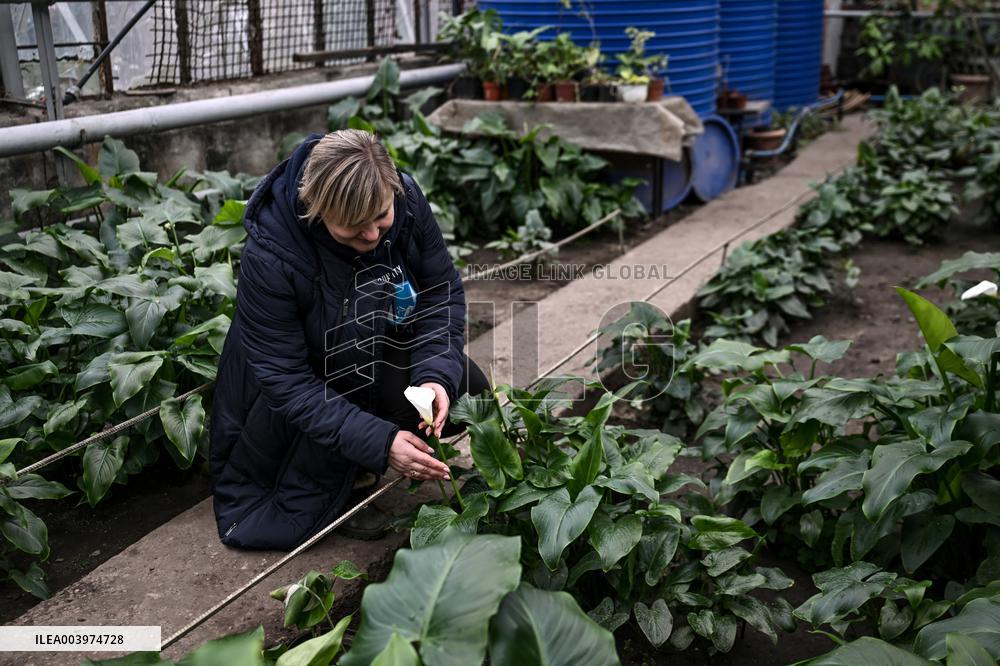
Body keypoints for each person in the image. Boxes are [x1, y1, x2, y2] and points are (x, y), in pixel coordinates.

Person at [209, 129, 489, 549]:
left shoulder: (407, 201)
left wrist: (434, 377)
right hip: (297, 391)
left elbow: (439, 294)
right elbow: (286, 381)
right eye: (354, 227)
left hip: (365, 352)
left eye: (381, 216)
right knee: (328, 447)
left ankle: (365, 449)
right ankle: (350, 475)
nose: (373, 235)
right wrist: (380, 443)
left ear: (393, 188)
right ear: (316, 209)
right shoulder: (272, 254)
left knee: (467, 390)